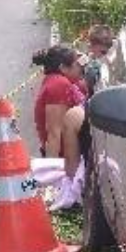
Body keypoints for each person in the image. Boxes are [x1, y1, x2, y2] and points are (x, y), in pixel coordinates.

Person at [31, 44, 86, 208]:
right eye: (76, 64)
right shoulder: (59, 86)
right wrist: (52, 181)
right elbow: (54, 133)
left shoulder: (57, 80)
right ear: (63, 67)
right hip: (67, 160)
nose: (81, 67)